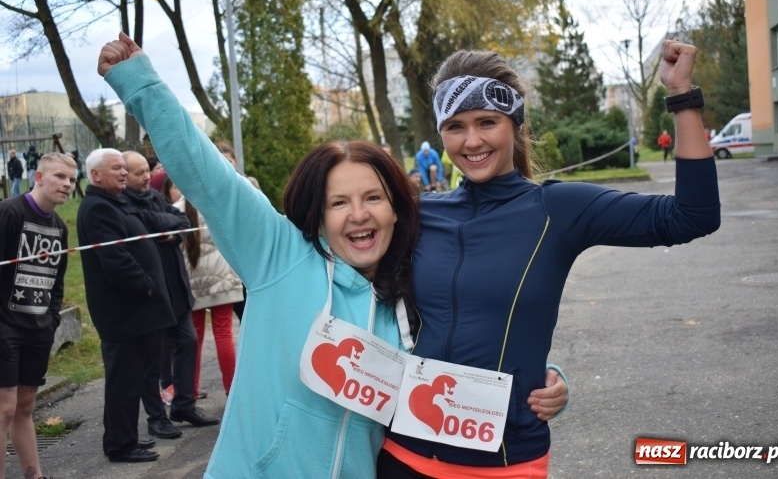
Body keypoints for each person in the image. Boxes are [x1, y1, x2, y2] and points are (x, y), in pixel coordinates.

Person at [97, 33, 568, 478]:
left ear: (399, 210)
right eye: (338, 203)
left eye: (374, 199)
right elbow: (205, 174)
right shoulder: (276, 255)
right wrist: (142, 84)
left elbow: (474, 358)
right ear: (317, 214)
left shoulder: (411, 298)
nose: (358, 217)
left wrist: (546, 383)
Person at [378, 42, 720, 477]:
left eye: (487, 122)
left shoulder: (557, 209)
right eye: (456, 126)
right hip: (403, 452)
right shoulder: (420, 214)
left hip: (504, 460)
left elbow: (693, 216)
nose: (472, 140)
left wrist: (682, 97)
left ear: (515, 124)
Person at [78, 147, 178, 463]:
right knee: (122, 382)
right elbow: (116, 259)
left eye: (125, 167)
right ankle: (120, 446)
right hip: (125, 313)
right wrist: (147, 287)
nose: (123, 172)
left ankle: (128, 438)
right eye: (116, 168)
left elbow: (148, 218)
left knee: (134, 379)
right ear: (95, 175)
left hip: (139, 313)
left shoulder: (116, 202)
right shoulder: (97, 208)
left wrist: (175, 222)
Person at [121, 152, 219, 431]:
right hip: (151, 293)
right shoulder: (124, 204)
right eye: (139, 173)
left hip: (176, 288)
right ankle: (156, 417)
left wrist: (170, 231)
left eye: (146, 171)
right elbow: (147, 222)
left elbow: (181, 221)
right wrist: (164, 226)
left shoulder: (153, 196)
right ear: (124, 175)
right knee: (151, 359)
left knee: (188, 342)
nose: (147, 177)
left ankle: (184, 405)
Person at [0, 152, 76, 479]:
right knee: (4, 408)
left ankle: (36, 474)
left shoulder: (59, 227)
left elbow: (57, 282)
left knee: (25, 407)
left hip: (38, 328)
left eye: (72, 179)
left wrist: (51, 321)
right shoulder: (9, 213)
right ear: (39, 177)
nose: (68, 185)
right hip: (5, 327)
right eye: (60, 177)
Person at [160, 173, 241, 399]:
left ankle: (190, 391)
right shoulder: (216, 205)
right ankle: (231, 390)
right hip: (221, 278)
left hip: (191, 281)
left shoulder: (175, 209)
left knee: (193, 338)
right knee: (224, 334)